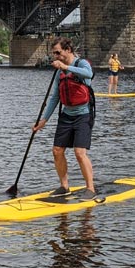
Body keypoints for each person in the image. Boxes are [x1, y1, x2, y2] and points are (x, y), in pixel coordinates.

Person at [33, 37, 97, 198]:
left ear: (68, 50)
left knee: (79, 152)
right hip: (66, 115)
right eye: (53, 53)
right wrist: (44, 120)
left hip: (83, 114)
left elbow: (88, 74)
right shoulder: (59, 71)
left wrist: (66, 66)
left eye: (58, 52)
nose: (55, 56)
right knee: (57, 151)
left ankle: (90, 188)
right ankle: (64, 186)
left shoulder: (81, 64)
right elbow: (55, 97)